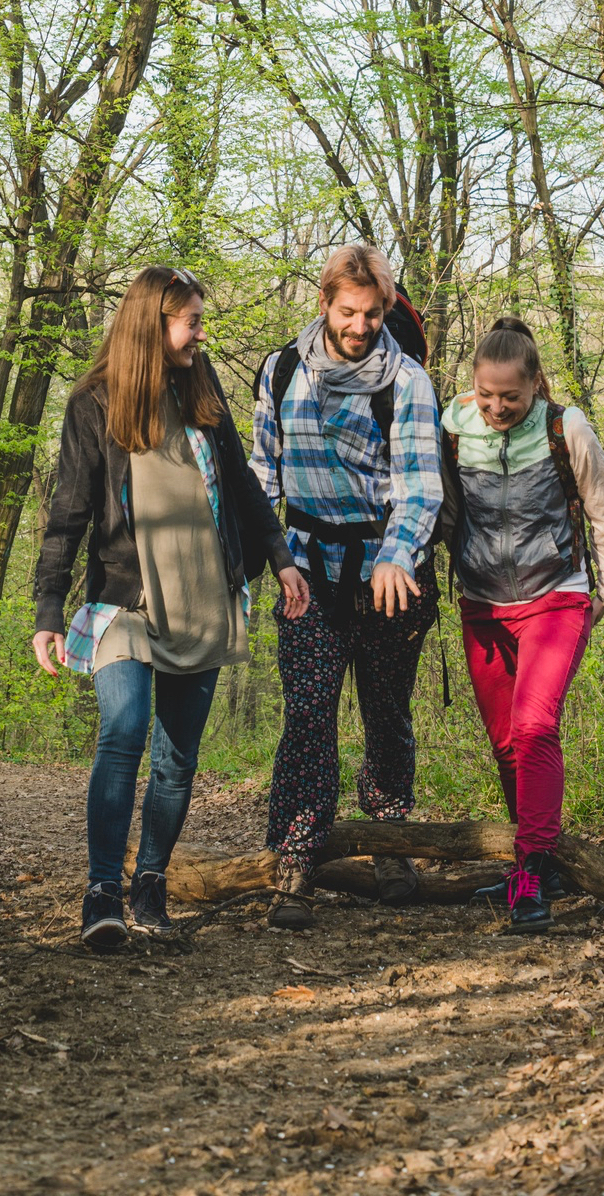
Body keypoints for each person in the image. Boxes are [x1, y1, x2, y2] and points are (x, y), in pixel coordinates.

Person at [33, 265, 310, 953]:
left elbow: (241, 482)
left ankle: (149, 886)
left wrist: (278, 556)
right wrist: (45, 607)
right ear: (153, 326)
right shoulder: (93, 404)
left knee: (176, 758)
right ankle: (102, 893)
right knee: (123, 733)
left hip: (205, 593)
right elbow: (67, 511)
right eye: (191, 320)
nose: (200, 332)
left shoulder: (200, 383)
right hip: (123, 599)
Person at [251, 244, 443, 932]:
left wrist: (397, 554)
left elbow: (421, 484)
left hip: (390, 574)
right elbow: (261, 475)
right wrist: (259, 557)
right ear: (325, 303)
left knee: (385, 710)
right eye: (347, 311)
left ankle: (389, 840)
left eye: (372, 313)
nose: (359, 325)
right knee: (307, 712)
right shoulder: (280, 372)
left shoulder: (409, 381)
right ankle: (297, 855)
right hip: (305, 570)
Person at [439, 316, 604, 933]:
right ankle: (538, 861)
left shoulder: (564, 425)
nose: (497, 407)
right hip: (482, 601)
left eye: (511, 397)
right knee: (503, 741)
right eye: (487, 395)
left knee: (534, 726)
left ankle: (530, 868)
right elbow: (441, 506)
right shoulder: (452, 425)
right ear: (473, 386)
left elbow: (602, 505)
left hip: (556, 594)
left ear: (535, 385)